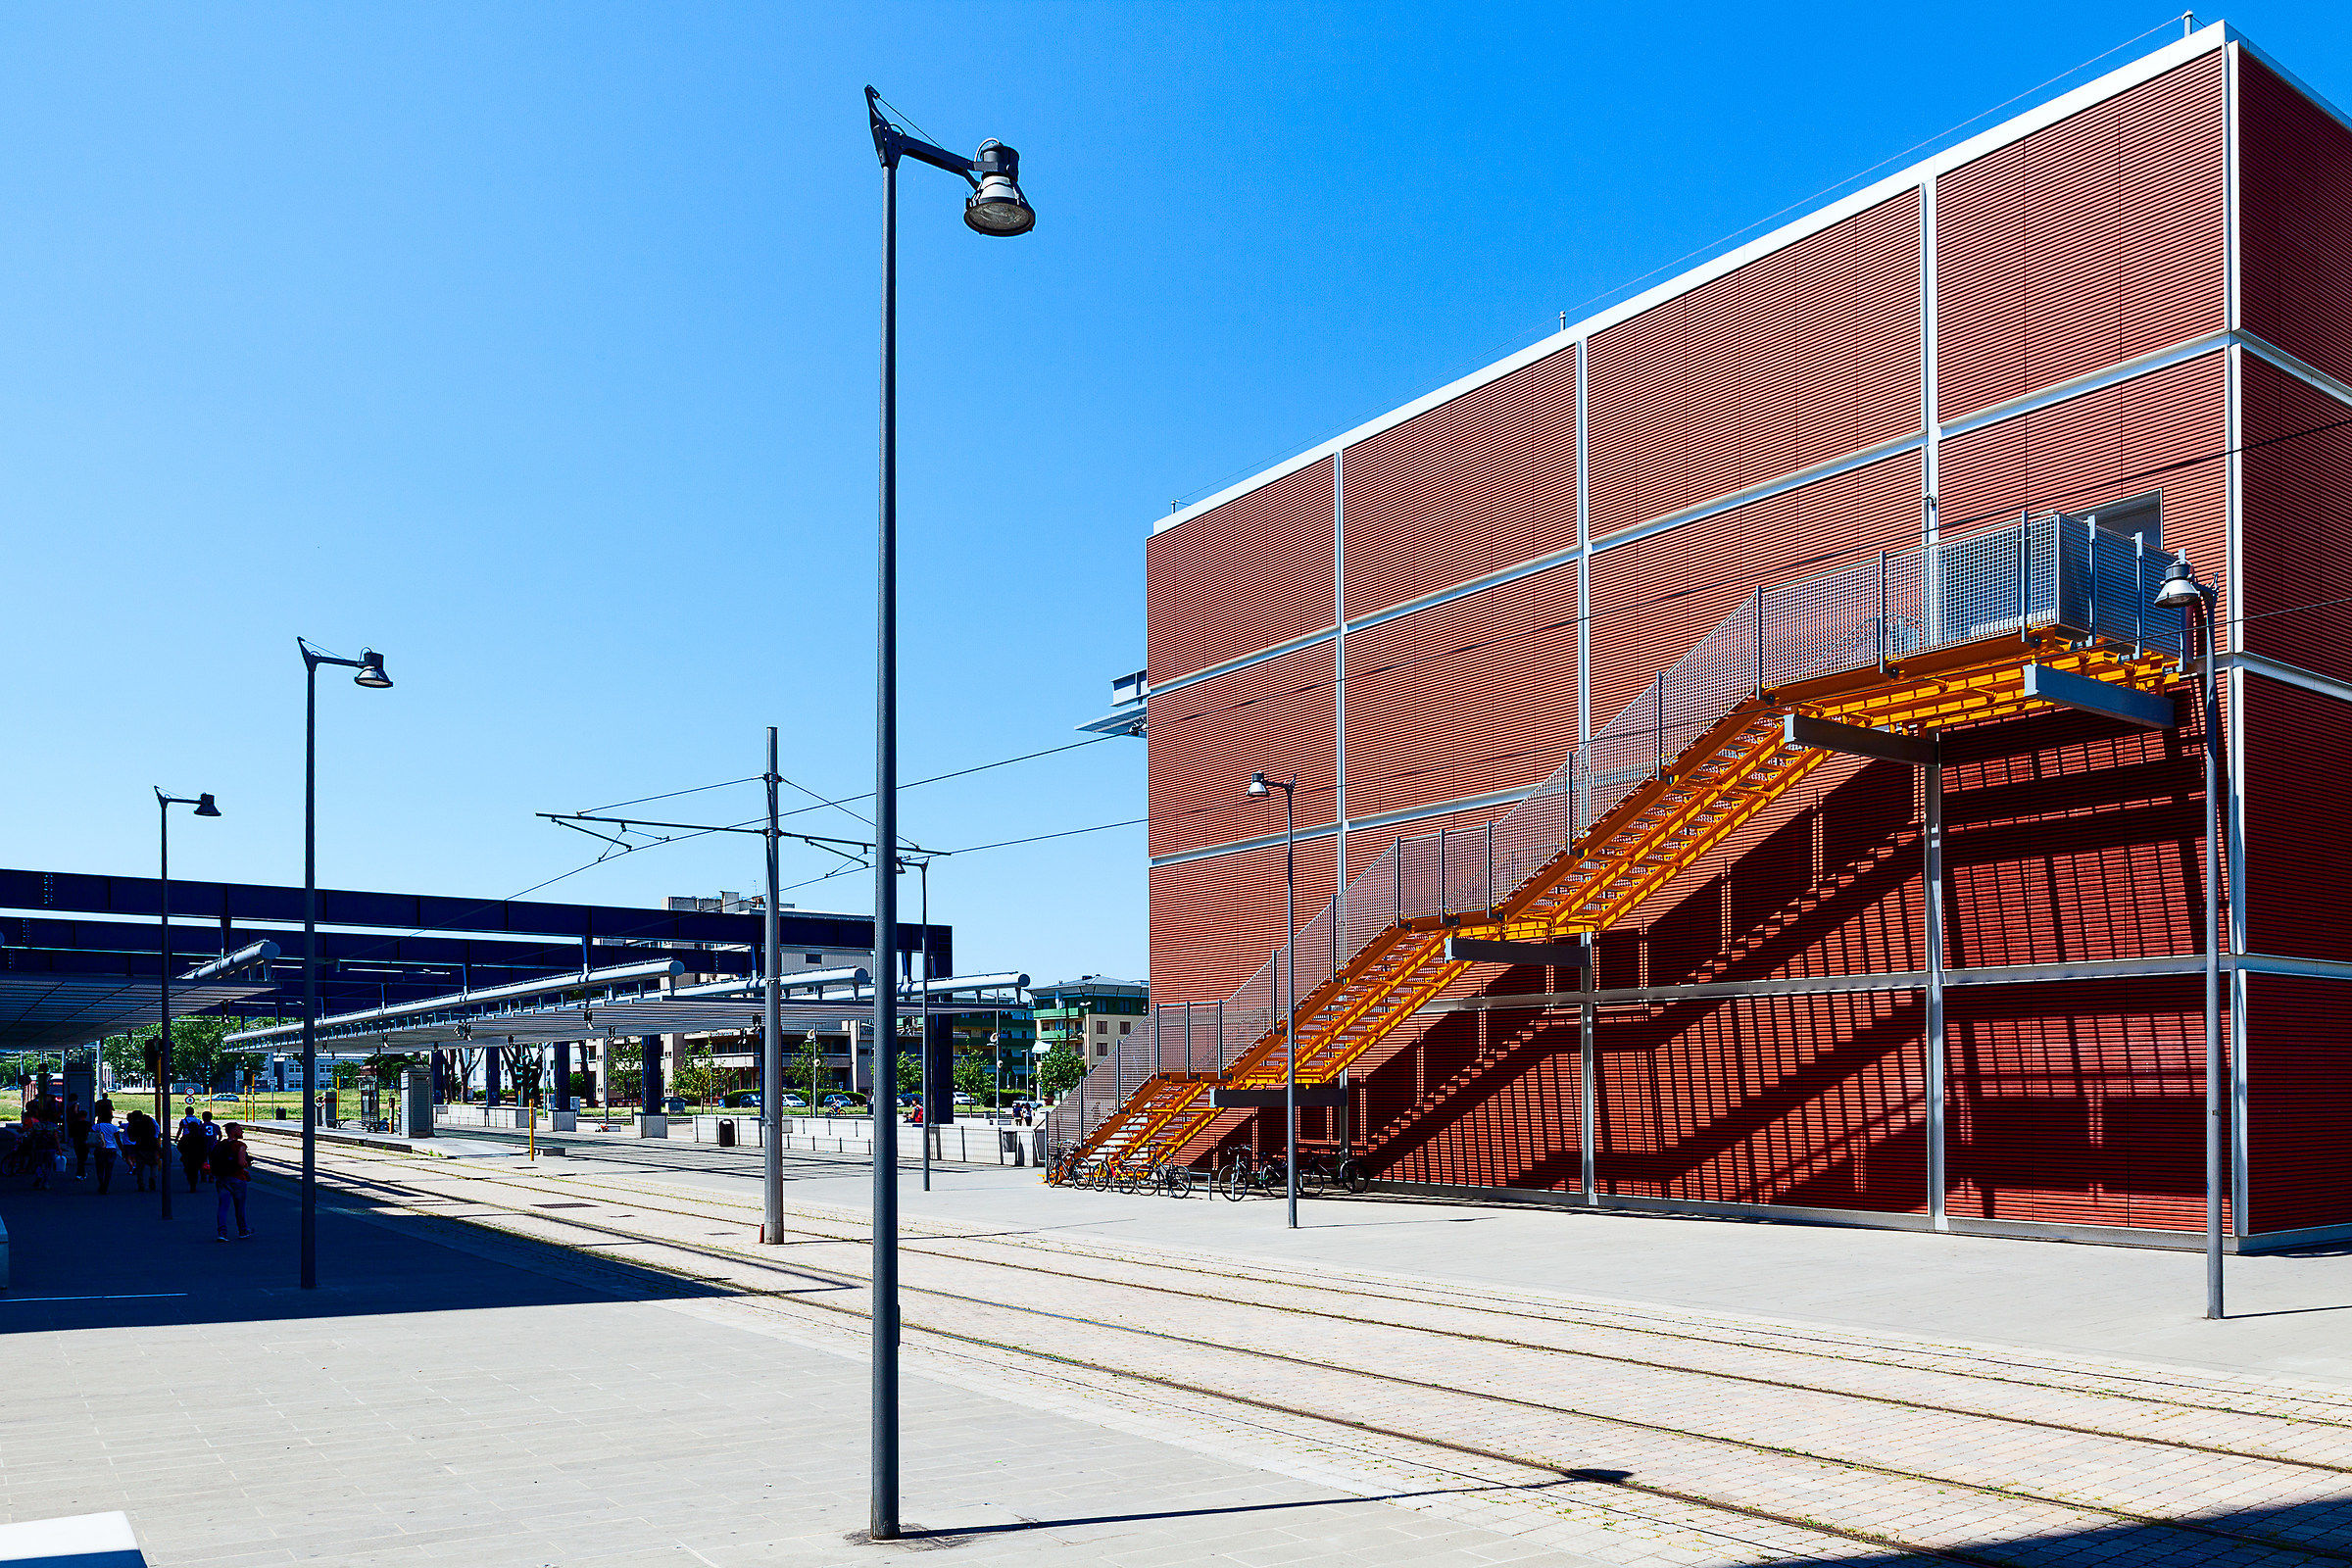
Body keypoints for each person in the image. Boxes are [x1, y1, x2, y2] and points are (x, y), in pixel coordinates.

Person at [213, 1123, 252, 1241]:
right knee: (239, 1207)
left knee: (223, 1207)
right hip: (237, 1179)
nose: (242, 1132)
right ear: (234, 1131)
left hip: (222, 1179)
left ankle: (222, 1233)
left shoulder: (220, 1144)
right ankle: (243, 1231)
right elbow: (241, 1163)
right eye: (240, 1130)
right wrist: (247, 1163)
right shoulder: (240, 1145)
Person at [123, 1107, 160, 1193]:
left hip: (140, 1146)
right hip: (152, 1145)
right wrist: (155, 1137)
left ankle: (141, 1184)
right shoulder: (149, 1120)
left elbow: (131, 1138)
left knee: (140, 1167)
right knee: (154, 1164)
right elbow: (157, 1128)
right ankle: (153, 1177)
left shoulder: (133, 1124)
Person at [91, 1109, 123, 1194]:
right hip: (111, 1149)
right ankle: (105, 1185)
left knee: (100, 1168)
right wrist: (122, 1150)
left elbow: (93, 1135)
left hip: (100, 1148)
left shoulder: (97, 1126)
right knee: (109, 1169)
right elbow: (118, 1140)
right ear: (110, 1118)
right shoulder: (114, 1128)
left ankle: (101, 1183)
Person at [175, 1112, 209, 1193]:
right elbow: (205, 1147)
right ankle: (200, 1179)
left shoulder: (185, 1137)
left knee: (189, 1171)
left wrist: (183, 1152)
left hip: (188, 1157)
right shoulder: (201, 1137)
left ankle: (192, 1183)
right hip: (199, 1157)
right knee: (197, 1170)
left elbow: (179, 1147)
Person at [67, 1095, 90, 1179]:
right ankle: (81, 1172)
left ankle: (80, 1172)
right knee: (83, 1158)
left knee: (79, 1157)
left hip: (76, 1141)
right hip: (85, 1142)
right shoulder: (87, 1124)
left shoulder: (68, 1105)